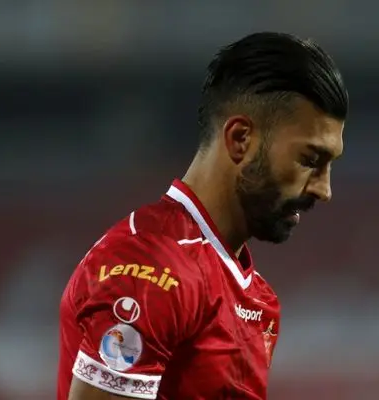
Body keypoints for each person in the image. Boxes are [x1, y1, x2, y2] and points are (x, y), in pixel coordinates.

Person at [58, 31, 348, 400]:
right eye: (309, 160)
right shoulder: (151, 271)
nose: (324, 190)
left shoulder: (256, 297)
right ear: (240, 139)